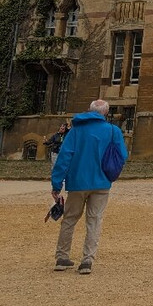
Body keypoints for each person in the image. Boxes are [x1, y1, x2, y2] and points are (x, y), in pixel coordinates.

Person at [50, 100, 127, 275]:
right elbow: (122, 155)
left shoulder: (76, 131)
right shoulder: (113, 131)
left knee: (69, 219)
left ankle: (62, 257)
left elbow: (64, 158)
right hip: (101, 183)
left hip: (77, 183)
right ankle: (87, 261)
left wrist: (56, 184)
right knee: (94, 220)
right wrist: (111, 173)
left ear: (89, 111)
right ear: (105, 114)